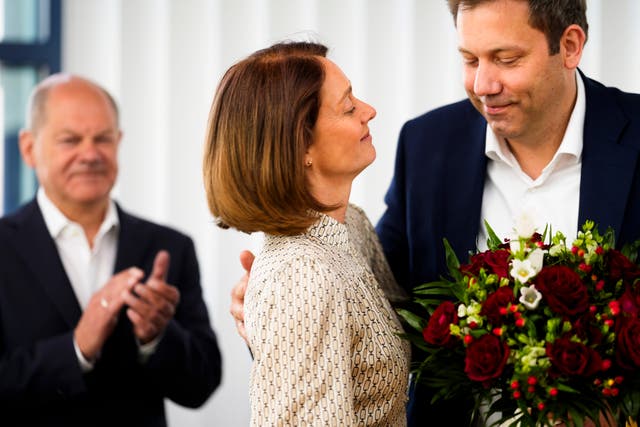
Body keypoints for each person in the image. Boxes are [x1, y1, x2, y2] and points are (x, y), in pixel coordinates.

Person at [231, 0, 640, 425]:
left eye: (506, 59)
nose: (483, 84)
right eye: (469, 59)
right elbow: (378, 309)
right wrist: (273, 316)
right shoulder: (427, 144)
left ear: (570, 46)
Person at [203, 41, 410, 426]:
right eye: (348, 107)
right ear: (300, 145)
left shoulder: (353, 226)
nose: (369, 111)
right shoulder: (300, 273)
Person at [0, 73, 222, 426]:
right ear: (28, 148)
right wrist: (76, 349)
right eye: (70, 140)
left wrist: (155, 337)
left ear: (118, 142)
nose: (90, 154)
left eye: (103, 138)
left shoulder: (170, 247)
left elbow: (202, 383)